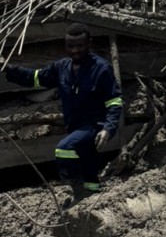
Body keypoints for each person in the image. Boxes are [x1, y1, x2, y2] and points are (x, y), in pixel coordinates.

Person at [1, 23, 123, 206]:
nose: (75, 50)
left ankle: (79, 196)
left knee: (64, 149)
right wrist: (8, 68)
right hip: (73, 125)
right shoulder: (61, 67)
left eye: (80, 46)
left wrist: (108, 128)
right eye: (70, 46)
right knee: (90, 173)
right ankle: (92, 204)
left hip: (93, 126)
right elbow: (36, 77)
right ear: (65, 45)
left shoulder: (101, 69)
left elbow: (114, 101)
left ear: (89, 43)